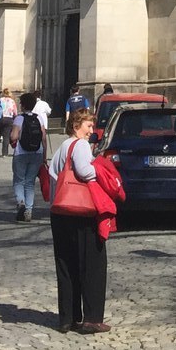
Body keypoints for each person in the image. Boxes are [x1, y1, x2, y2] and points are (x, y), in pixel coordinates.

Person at [48, 107, 110, 333]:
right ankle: (92, 318)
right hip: (81, 212)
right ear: (76, 126)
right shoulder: (80, 145)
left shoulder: (62, 148)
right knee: (92, 263)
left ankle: (68, 317)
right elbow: (85, 171)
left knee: (66, 264)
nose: (91, 130)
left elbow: (53, 176)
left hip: (59, 211)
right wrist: (102, 173)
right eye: (89, 125)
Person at [10, 90, 48, 222]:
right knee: (30, 183)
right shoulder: (39, 118)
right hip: (37, 153)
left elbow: (14, 136)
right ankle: (29, 210)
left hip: (21, 153)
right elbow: (44, 138)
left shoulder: (19, 118)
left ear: (23, 105)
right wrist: (44, 156)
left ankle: (21, 202)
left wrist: (12, 138)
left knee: (19, 180)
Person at [0, 88, 18, 156]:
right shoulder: (12, 101)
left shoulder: (0, 100)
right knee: (6, 137)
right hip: (9, 119)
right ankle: (5, 153)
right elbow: (15, 112)